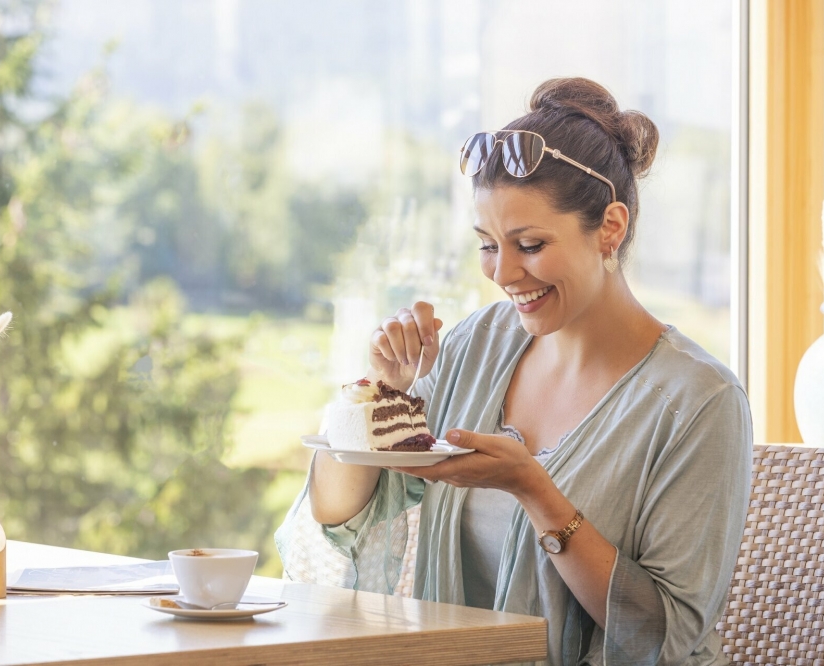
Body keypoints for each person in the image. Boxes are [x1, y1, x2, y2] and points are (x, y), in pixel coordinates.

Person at [276, 77, 752, 665]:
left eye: (528, 244)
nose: (502, 274)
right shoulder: (479, 345)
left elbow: (664, 636)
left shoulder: (699, 402)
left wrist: (536, 490)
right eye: (487, 245)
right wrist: (379, 396)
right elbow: (337, 518)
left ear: (610, 228)